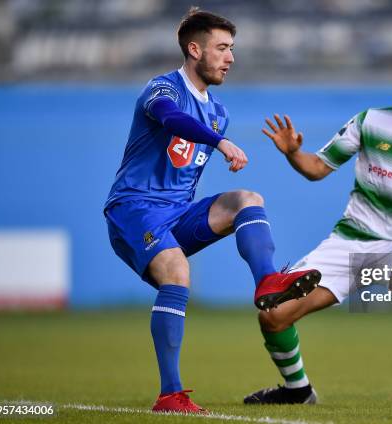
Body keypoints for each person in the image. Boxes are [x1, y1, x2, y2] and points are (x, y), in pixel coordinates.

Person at [103, 8, 320, 414]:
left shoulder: (218, 111)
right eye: (222, 48)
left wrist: (218, 137)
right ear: (194, 49)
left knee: (248, 199)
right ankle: (170, 395)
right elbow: (171, 119)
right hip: (134, 208)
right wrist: (220, 143)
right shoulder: (162, 88)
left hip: (176, 212)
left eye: (231, 49)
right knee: (177, 271)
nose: (230, 58)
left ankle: (268, 283)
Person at [243, 54, 392, 407]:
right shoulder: (371, 121)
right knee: (272, 316)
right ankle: (298, 389)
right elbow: (316, 168)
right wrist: (294, 153)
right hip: (349, 241)